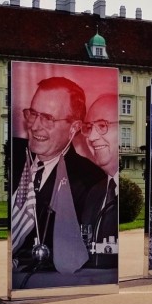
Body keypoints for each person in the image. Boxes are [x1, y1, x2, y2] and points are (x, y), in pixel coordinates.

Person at [11, 76, 107, 287]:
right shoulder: (11, 156)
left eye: (47, 118)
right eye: (33, 114)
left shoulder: (91, 182)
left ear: (74, 128)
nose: (35, 126)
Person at [80, 94, 119, 268]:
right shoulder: (95, 192)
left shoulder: (126, 191)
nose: (92, 137)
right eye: (88, 127)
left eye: (102, 125)